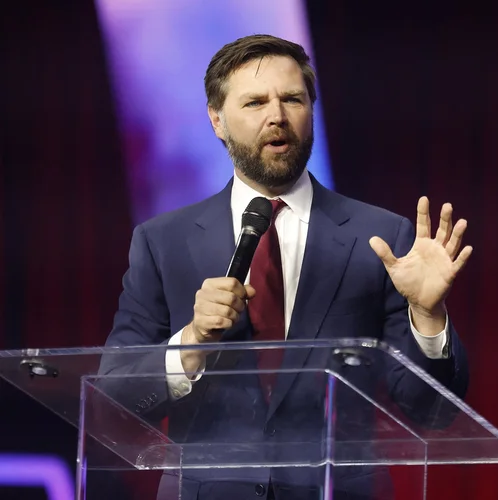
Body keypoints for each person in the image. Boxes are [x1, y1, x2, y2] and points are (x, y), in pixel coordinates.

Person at [100, 34, 471, 500]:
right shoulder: (161, 242)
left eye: (292, 99)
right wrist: (190, 343)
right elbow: (113, 404)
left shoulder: (382, 240)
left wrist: (428, 319)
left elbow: (430, 411)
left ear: (311, 111)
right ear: (217, 120)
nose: (276, 115)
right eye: (255, 102)